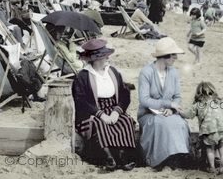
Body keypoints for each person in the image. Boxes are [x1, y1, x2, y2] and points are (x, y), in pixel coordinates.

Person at [72, 39, 136, 171]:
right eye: (99, 58)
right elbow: (81, 100)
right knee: (100, 124)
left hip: (113, 108)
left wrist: (116, 112)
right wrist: (101, 115)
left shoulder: (112, 72)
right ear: (92, 59)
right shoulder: (83, 76)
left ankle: (123, 157)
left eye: (104, 57)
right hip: (92, 112)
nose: (104, 60)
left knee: (125, 121)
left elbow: (125, 94)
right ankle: (108, 158)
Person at [138, 37, 191, 168]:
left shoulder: (173, 72)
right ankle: (160, 160)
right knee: (160, 123)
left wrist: (172, 109)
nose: (176, 58)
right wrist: (168, 104)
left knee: (180, 123)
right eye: (174, 55)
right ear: (164, 56)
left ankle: (176, 157)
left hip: (167, 113)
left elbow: (177, 97)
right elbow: (144, 100)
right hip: (148, 114)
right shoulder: (146, 72)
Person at [181, 82, 223, 175]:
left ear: (198, 93)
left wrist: (178, 111)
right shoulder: (221, 103)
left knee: (210, 149)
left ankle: (211, 167)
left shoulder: (198, 105)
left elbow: (187, 115)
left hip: (209, 132)